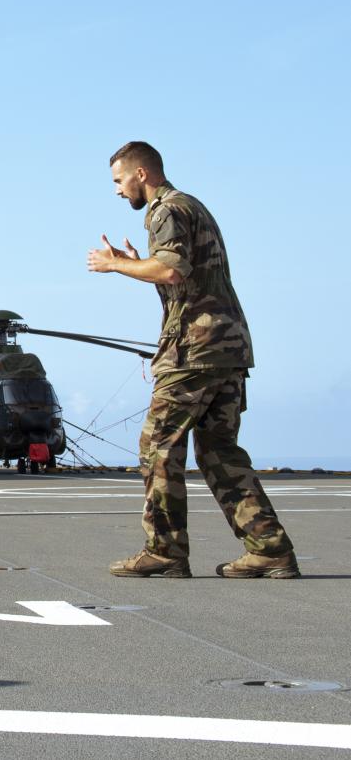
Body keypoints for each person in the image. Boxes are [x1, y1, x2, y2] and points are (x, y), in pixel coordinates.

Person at [88, 141, 298, 579]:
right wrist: (135, 264)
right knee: (220, 450)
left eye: (118, 180)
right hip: (229, 347)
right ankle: (268, 547)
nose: (116, 190)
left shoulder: (166, 210)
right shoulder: (192, 206)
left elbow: (170, 270)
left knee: (156, 446)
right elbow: (183, 273)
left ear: (141, 174)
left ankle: (164, 550)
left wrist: (114, 266)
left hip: (194, 350)